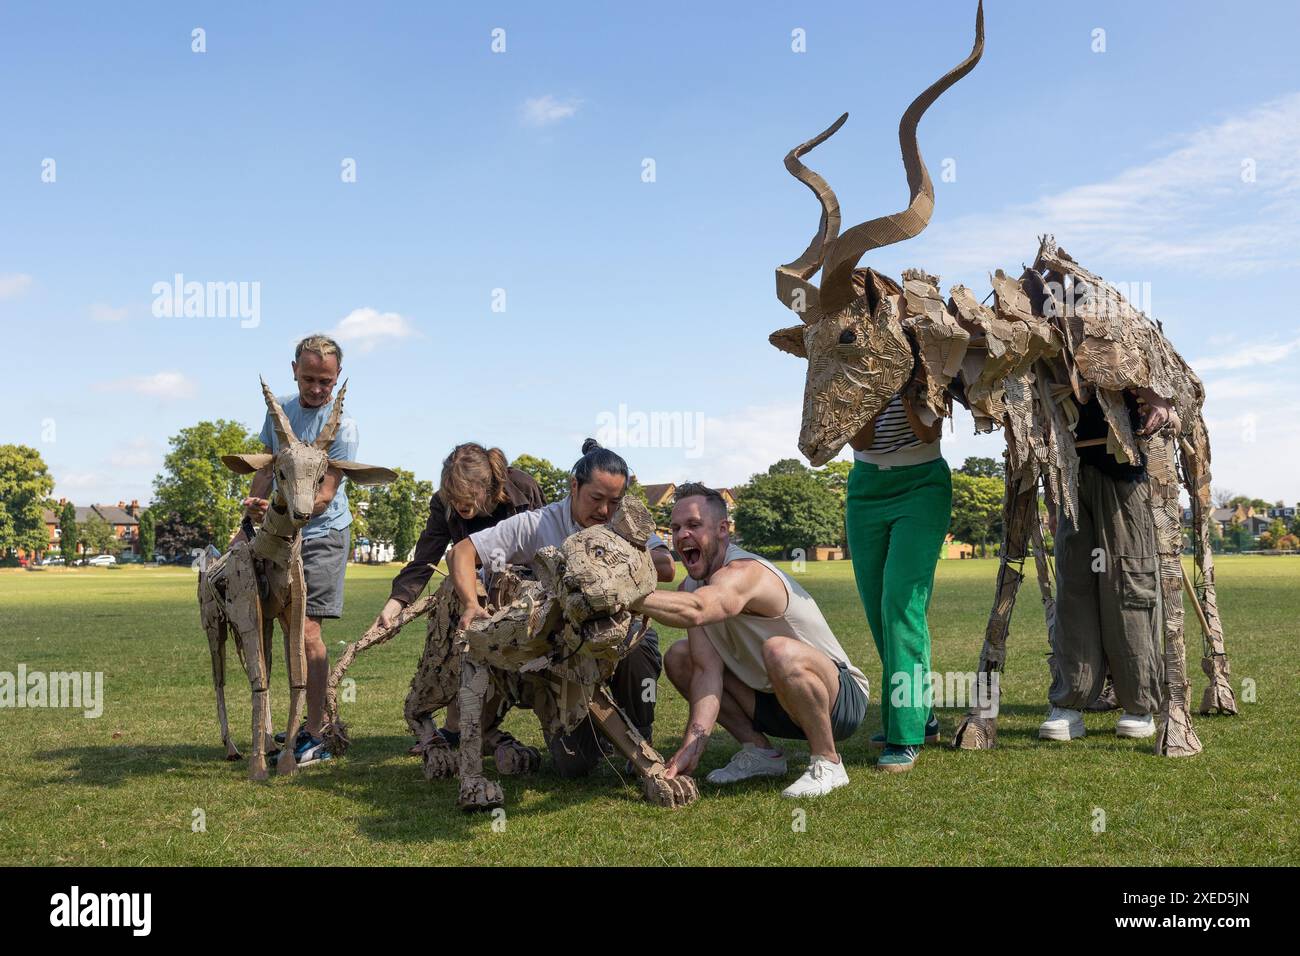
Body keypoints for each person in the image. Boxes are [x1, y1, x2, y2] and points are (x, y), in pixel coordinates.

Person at [446, 440, 675, 777]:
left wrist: (621, 562)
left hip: (616, 637)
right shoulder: (537, 524)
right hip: (560, 651)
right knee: (576, 766)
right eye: (596, 499)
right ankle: (594, 735)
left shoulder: (623, 525)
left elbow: (666, 566)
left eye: (614, 502)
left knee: (639, 649)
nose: (604, 511)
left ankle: (640, 734)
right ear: (574, 486)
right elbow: (463, 552)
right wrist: (469, 602)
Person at [632, 483, 869, 798]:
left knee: (779, 650)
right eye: (675, 528)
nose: (681, 535)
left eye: (693, 525)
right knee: (681, 656)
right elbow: (706, 671)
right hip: (770, 697)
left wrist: (623, 593)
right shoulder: (690, 586)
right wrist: (693, 744)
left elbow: (702, 608)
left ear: (722, 530)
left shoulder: (746, 571)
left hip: (839, 699)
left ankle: (828, 761)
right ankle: (761, 754)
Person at [234, 334, 357, 767]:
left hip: (322, 534)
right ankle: (277, 728)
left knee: (305, 632)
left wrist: (284, 509)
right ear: (294, 371)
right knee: (270, 626)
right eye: (309, 379)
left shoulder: (344, 426)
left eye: (325, 381)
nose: (317, 389)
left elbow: (323, 495)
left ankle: (317, 731)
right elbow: (267, 471)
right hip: (276, 536)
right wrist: (249, 519)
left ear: (337, 377)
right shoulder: (279, 412)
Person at [375, 442, 544, 747]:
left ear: (488, 485)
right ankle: (456, 728)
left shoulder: (521, 488)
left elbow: (544, 543)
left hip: (521, 592)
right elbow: (424, 558)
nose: (459, 505)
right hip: (470, 597)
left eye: (467, 498)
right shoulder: (443, 505)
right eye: (452, 497)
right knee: (460, 646)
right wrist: (395, 604)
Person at [1039, 386, 1172, 742]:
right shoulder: (1051, 340)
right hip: (1070, 474)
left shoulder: (1132, 338)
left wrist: (1160, 402)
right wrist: (1052, 499)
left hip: (1124, 476)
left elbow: (1181, 390)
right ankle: (1070, 701)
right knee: (1073, 589)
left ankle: (1138, 704)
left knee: (1128, 586)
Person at [844, 387, 950, 773]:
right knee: (877, 609)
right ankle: (922, 714)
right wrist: (873, 382)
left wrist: (904, 382)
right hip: (866, 487)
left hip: (922, 484)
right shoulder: (848, 365)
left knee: (900, 607)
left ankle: (905, 733)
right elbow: (862, 438)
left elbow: (928, 434)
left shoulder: (926, 351)